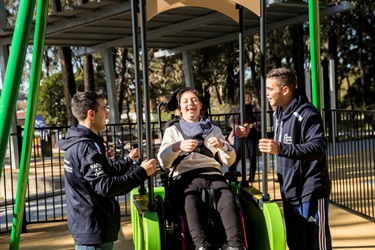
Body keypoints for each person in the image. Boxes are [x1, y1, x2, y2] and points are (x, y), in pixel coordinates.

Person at [58, 92, 157, 250]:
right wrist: (141, 173)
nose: (107, 113)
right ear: (91, 114)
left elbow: (105, 171)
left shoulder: (86, 142)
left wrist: (128, 161)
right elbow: (106, 186)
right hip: (93, 230)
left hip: (90, 227)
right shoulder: (85, 148)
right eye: (103, 108)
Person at [157, 87, 244, 250]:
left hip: (213, 175)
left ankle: (235, 245)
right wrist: (177, 146)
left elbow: (229, 160)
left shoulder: (214, 130)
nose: (190, 104)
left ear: (200, 104)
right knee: (189, 200)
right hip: (186, 178)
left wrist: (222, 145)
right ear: (179, 108)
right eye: (185, 101)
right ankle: (200, 245)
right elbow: (163, 161)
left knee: (228, 198)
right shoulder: (173, 130)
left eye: (194, 100)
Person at [258, 68, 332, 250]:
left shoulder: (307, 113)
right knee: (296, 243)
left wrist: (281, 148)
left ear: (285, 90)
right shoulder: (278, 113)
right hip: (290, 191)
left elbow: (318, 147)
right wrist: (252, 135)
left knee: (316, 244)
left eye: (269, 89)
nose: (266, 94)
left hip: (311, 190)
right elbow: (279, 139)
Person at [228, 90, 261, 182]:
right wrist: (237, 127)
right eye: (245, 97)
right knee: (236, 153)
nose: (247, 99)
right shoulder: (236, 109)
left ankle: (251, 177)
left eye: (248, 97)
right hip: (239, 132)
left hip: (251, 133)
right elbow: (231, 121)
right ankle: (232, 175)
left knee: (252, 154)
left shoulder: (255, 109)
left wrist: (253, 125)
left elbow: (260, 121)